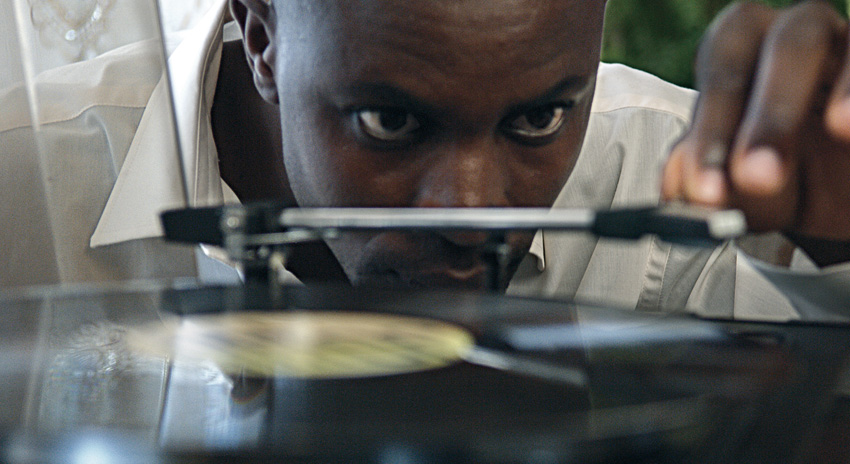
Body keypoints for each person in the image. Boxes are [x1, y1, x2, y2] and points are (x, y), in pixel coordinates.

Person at [2, 0, 850, 321]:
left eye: (539, 118)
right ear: (261, 36)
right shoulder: (21, 186)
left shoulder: (676, 172)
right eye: (391, 120)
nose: (473, 213)